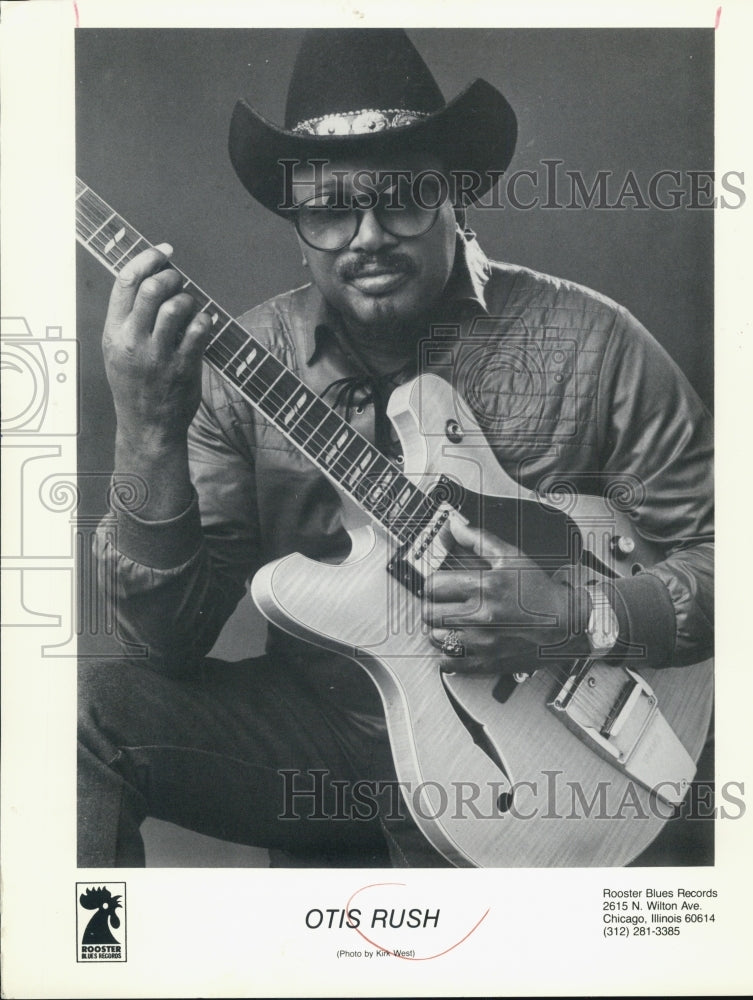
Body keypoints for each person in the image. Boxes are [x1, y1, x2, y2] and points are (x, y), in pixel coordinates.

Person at [78, 29, 713, 868]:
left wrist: (581, 619)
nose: (368, 234)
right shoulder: (242, 371)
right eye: (330, 209)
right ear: (296, 229)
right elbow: (165, 649)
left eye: (405, 196)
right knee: (87, 719)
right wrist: (148, 430)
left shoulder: (593, 345)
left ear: (458, 198)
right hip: (321, 742)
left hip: (555, 760)